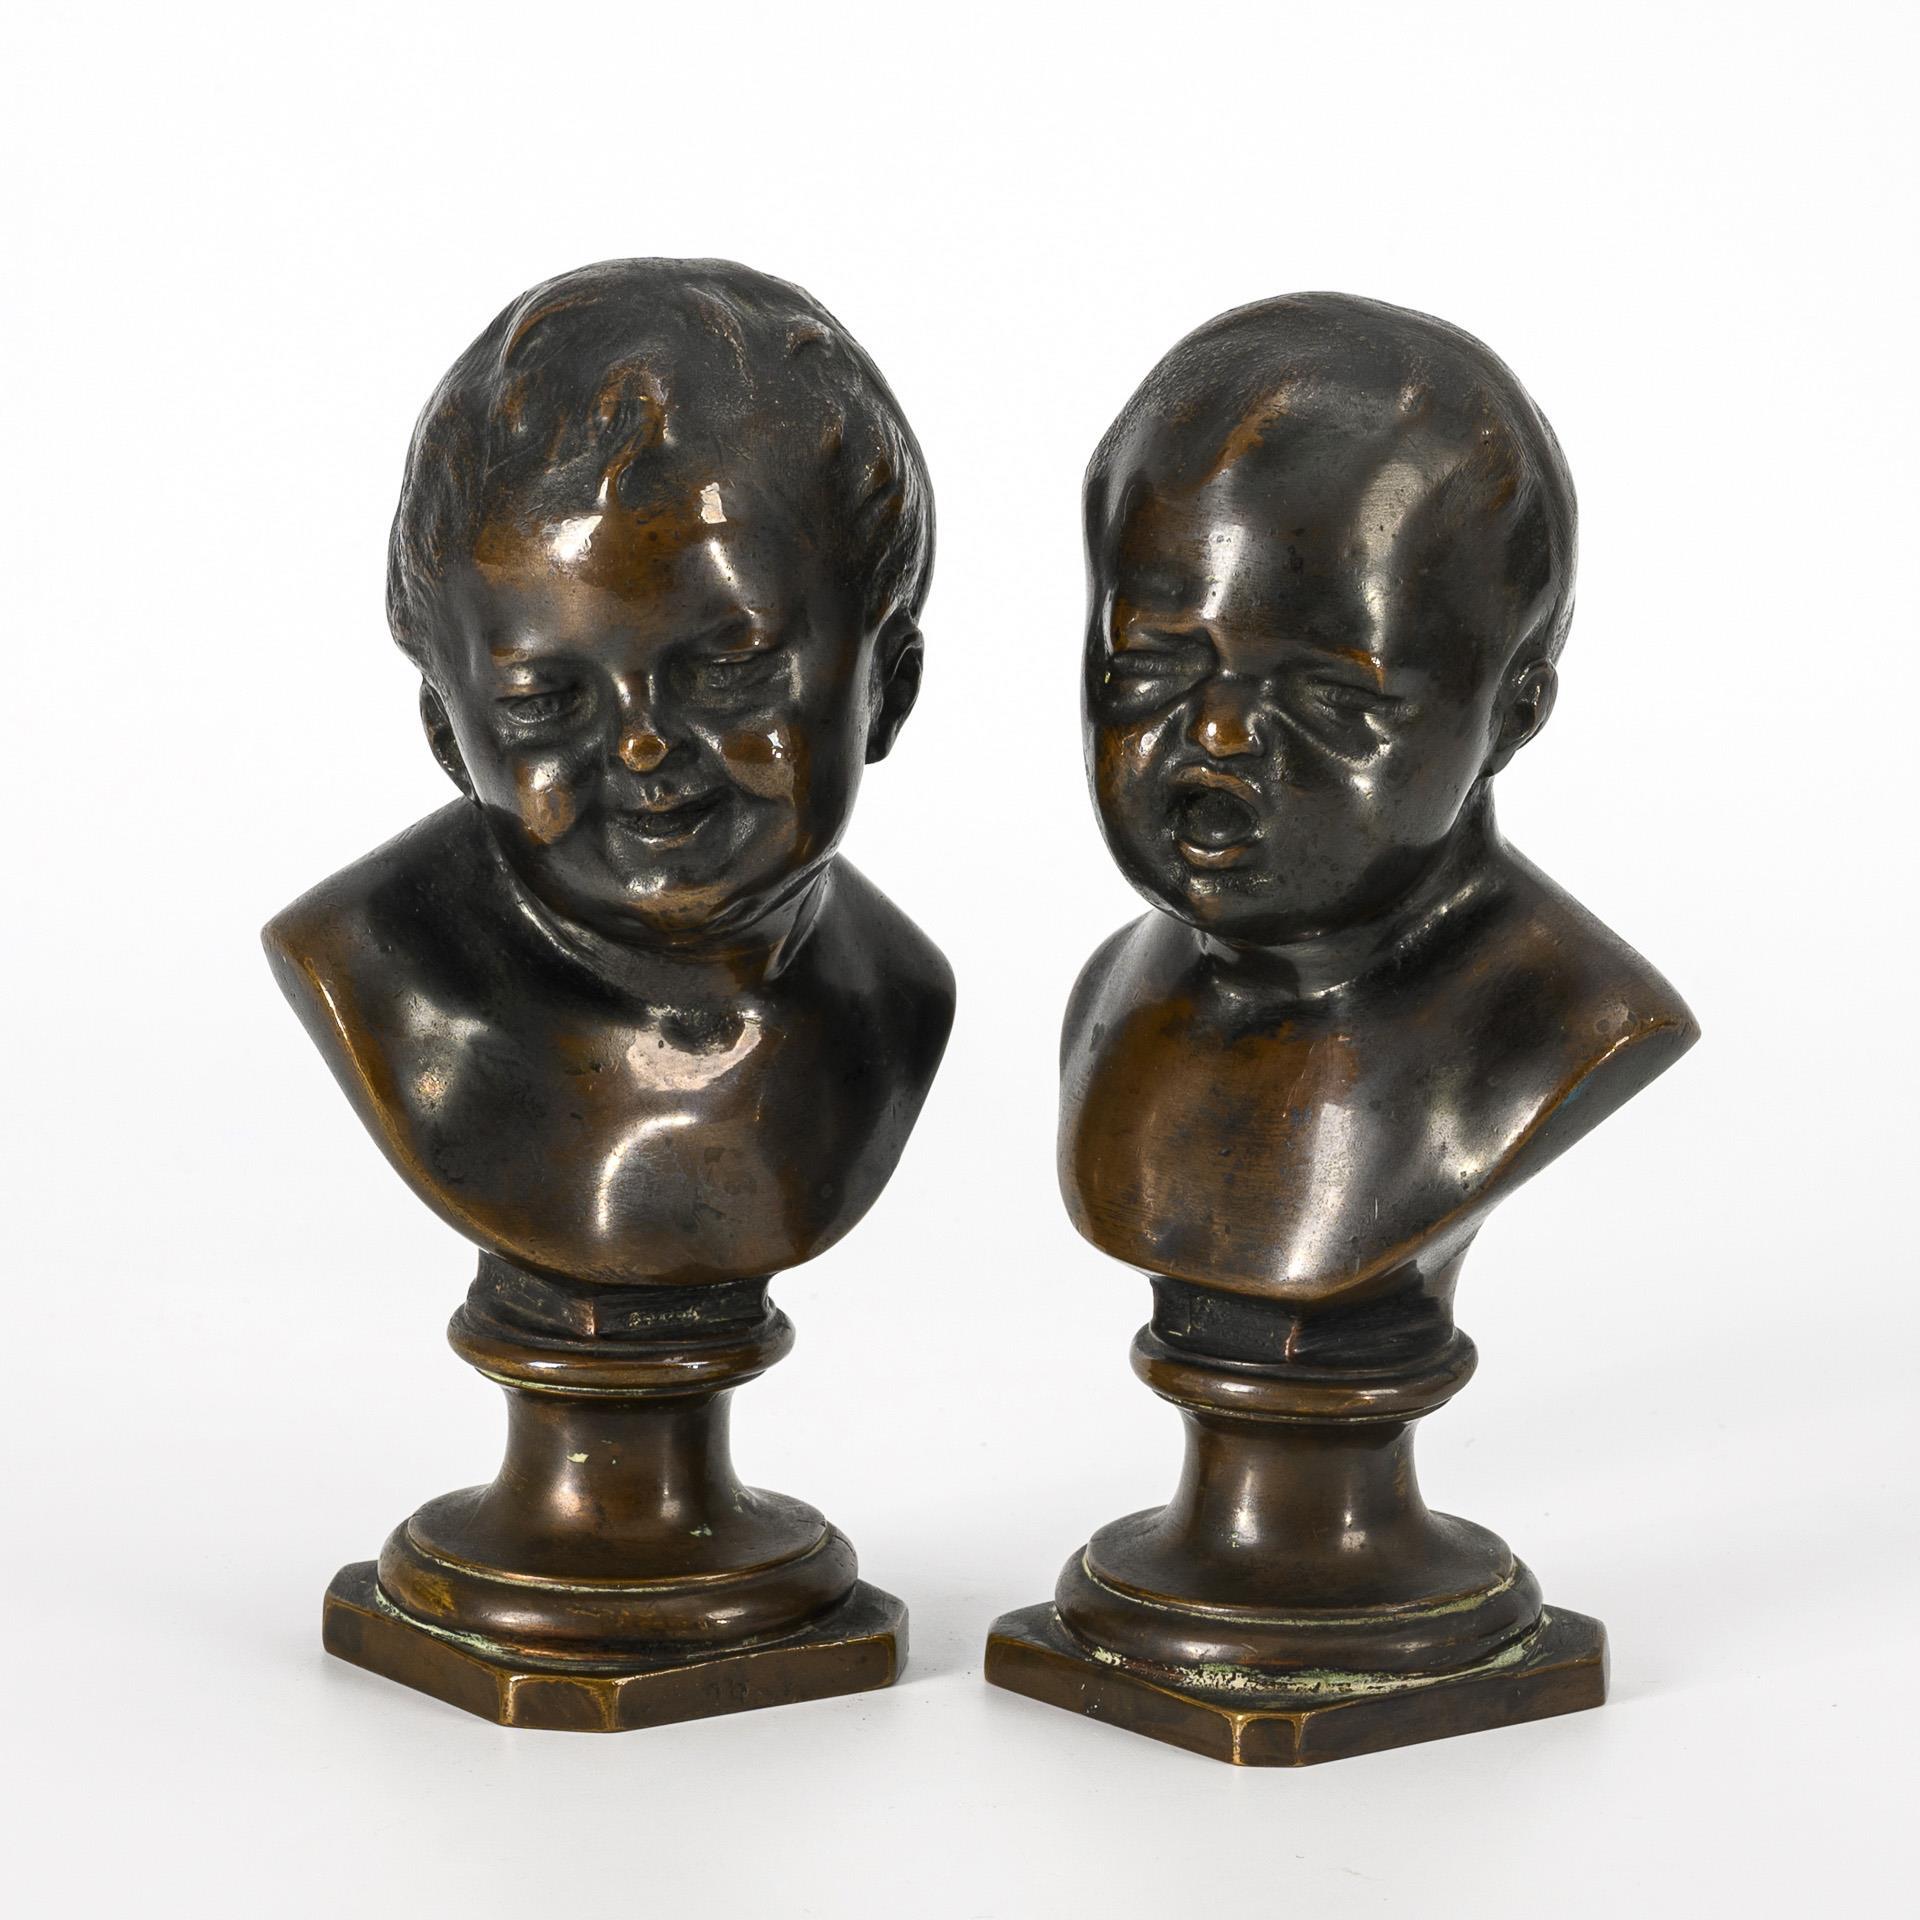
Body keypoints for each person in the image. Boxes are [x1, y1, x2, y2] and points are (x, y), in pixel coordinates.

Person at [265, 259, 954, 1290]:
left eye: (727, 673)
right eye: (549, 702)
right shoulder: (365, 964)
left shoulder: (897, 992)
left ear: (887, 690)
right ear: (449, 735)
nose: (642, 746)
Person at [1062, 293, 1698, 1357]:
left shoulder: (1566, 1021)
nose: (1219, 732)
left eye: (1332, 696)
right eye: (1153, 664)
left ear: (1512, 714)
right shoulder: (1114, 994)